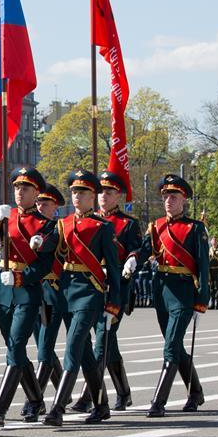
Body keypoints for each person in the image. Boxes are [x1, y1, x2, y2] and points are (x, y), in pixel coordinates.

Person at [0, 166, 55, 426]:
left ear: (36, 192)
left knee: (16, 345)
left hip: (27, 292)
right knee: (14, 349)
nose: (19, 191)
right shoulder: (6, 217)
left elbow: (44, 265)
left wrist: (20, 277)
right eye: (16, 187)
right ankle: (36, 401)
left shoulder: (46, 225)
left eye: (25, 188)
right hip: (2, 291)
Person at [39, 170, 122, 426]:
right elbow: (49, 245)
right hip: (66, 291)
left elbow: (115, 270)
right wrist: (38, 242)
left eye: (83, 192)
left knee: (73, 347)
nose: (77, 196)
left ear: (92, 196)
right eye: (74, 192)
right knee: (85, 352)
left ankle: (57, 408)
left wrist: (114, 302)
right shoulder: (62, 224)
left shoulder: (102, 227)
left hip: (90, 291)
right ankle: (102, 405)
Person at [125, 173, 209, 418]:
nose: (168, 201)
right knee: (175, 345)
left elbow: (203, 265)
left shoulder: (195, 228)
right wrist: (133, 259)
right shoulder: (157, 226)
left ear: (184, 199)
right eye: (165, 196)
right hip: (161, 290)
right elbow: (145, 250)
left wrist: (202, 300)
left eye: (174, 196)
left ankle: (158, 402)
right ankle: (196, 393)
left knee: (171, 347)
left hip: (184, 291)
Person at [70, 170, 139, 415]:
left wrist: (133, 259)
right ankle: (123, 392)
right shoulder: (87, 220)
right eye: (100, 192)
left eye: (109, 192)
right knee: (108, 344)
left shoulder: (128, 224)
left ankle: (87, 397)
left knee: (102, 341)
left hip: (114, 289)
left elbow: (137, 249)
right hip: (89, 288)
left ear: (118, 195)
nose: (103, 196)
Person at [28, 183, 66, 416]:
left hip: (53, 290)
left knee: (45, 348)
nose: (40, 206)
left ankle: (35, 400)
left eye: (46, 203)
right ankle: (64, 386)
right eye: (38, 202)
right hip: (34, 290)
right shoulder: (28, 226)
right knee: (43, 346)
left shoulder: (57, 228)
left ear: (55, 207)